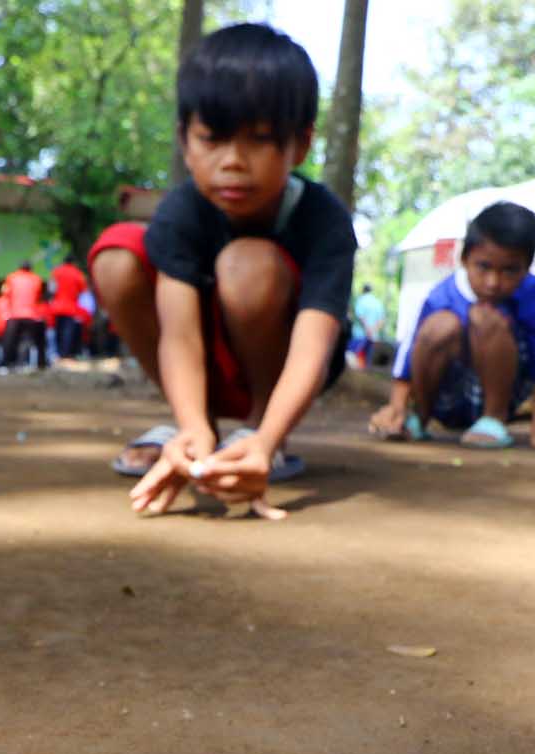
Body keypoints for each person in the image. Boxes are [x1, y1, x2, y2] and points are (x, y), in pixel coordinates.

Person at [89, 23, 356, 518]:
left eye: (258, 140)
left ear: (299, 145)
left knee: (246, 264)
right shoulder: (180, 212)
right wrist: (193, 426)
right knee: (117, 255)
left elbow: (313, 348)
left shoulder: (325, 221)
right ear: (185, 142)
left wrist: (268, 437)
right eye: (212, 139)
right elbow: (180, 336)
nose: (232, 162)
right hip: (207, 367)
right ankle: (197, 432)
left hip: (282, 375)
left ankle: (255, 436)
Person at [368, 201, 535, 453]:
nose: (493, 282)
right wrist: (398, 408)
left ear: (527, 266)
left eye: (510, 270)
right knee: (440, 326)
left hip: (505, 391)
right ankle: (419, 419)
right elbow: (408, 354)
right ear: (464, 258)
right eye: (484, 267)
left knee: (485, 318)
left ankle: (493, 420)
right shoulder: (441, 295)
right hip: (445, 396)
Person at [0, 261, 46, 372]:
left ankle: (7, 364)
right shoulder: (36, 279)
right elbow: (38, 296)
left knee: (10, 340)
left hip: (14, 314)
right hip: (30, 315)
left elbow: (5, 293)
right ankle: (22, 364)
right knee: (25, 340)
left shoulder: (11, 277)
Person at [50, 256, 90, 359]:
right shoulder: (77, 273)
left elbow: (51, 289)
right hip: (71, 308)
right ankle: (65, 355)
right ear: (73, 262)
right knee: (68, 332)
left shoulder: (56, 272)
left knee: (58, 330)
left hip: (57, 307)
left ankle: (58, 354)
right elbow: (83, 291)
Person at [350, 284, 385, 368]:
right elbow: (382, 320)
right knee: (369, 363)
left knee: (355, 362)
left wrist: (367, 329)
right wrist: (373, 330)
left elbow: (360, 316)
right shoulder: (378, 302)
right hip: (373, 337)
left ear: (363, 291)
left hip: (359, 336)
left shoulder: (360, 300)